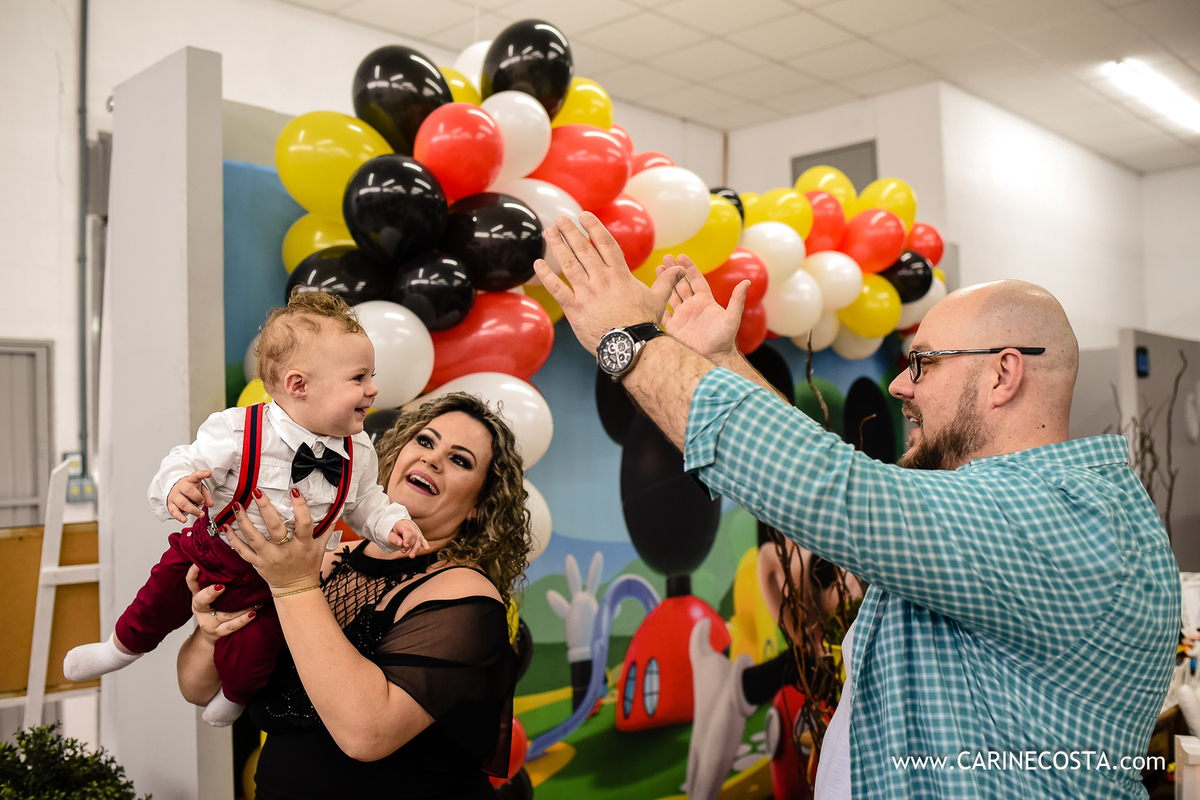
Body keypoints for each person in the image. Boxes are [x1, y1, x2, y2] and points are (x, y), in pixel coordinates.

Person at [532, 211, 1180, 799]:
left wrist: (629, 338)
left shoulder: (1047, 518)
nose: (900, 384)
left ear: (1003, 374)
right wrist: (722, 362)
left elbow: (831, 490)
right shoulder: (1034, 505)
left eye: (922, 363)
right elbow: (835, 508)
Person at [64, 291, 427, 726]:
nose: (373, 389)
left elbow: (366, 501)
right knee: (156, 601)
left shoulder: (360, 450)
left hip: (279, 584)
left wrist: (392, 524)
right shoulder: (237, 431)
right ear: (298, 385)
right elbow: (186, 460)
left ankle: (235, 697)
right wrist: (178, 484)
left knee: (257, 651)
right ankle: (119, 650)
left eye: (372, 376)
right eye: (359, 378)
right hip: (208, 552)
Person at [177, 392, 531, 799]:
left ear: (479, 507)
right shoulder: (320, 563)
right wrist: (210, 633)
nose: (433, 459)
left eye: (460, 459)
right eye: (426, 441)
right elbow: (198, 690)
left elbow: (367, 734)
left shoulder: (467, 597)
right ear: (398, 453)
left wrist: (292, 584)